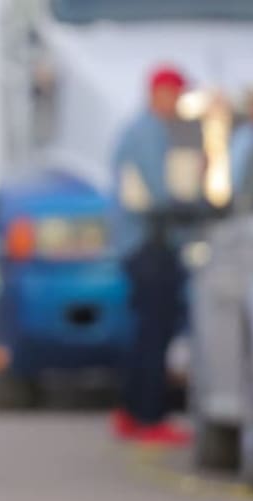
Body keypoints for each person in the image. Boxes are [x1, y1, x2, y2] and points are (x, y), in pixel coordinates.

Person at [110, 64, 206, 446]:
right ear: (158, 94)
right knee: (155, 334)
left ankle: (132, 412)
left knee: (144, 332)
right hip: (151, 245)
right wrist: (198, 208)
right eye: (175, 95)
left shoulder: (139, 128)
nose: (178, 104)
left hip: (143, 245)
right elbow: (160, 192)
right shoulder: (149, 131)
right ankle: (149, 416)